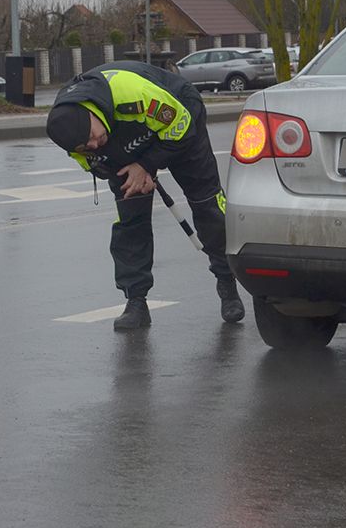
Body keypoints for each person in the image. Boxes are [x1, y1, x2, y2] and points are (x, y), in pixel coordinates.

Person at [45, 61, 244, 330]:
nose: (92, 145)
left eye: (91, 136)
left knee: (207, 205)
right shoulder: (74, 136)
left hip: (179, 116)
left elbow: (181, 125)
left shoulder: (131, 93)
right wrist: (135, 174)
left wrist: (148, 164)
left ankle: (226, 280)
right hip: (127, 146)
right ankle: (136, 301)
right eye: (85, 146)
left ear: (90, 112)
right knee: (131, 221)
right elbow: (100, 166)